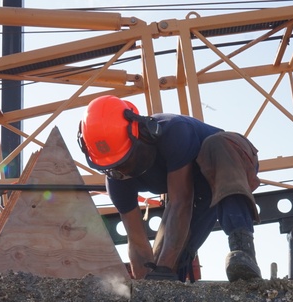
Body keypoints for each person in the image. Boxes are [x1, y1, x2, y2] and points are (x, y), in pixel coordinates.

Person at [77, 95, 261, 282]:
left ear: (141, 133)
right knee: (161, 265)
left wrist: (165, 267)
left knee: (216, 145)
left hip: (228, 161)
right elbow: (137, 241)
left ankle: (242, 249)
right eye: (114, 168)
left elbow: (181, 201)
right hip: (195, 191)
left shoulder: (173, 131)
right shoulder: (117, 181)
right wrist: (148, 285)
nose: (123, 171)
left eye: (125, 161)